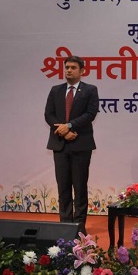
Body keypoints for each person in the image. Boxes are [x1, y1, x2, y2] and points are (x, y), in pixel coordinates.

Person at [45, 55, 99, 234]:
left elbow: (90, 114)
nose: (69, 70)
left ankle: (79, 227)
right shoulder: (56, 90)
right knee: (63, 188)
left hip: (81, 144)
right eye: (67, 67)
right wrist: (62, 131)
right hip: (60, 144)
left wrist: (69, 126)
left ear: (82, 71)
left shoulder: (90, 90)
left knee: (80, 187)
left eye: (73, 67)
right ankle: (65, 226)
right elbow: (49, 114)